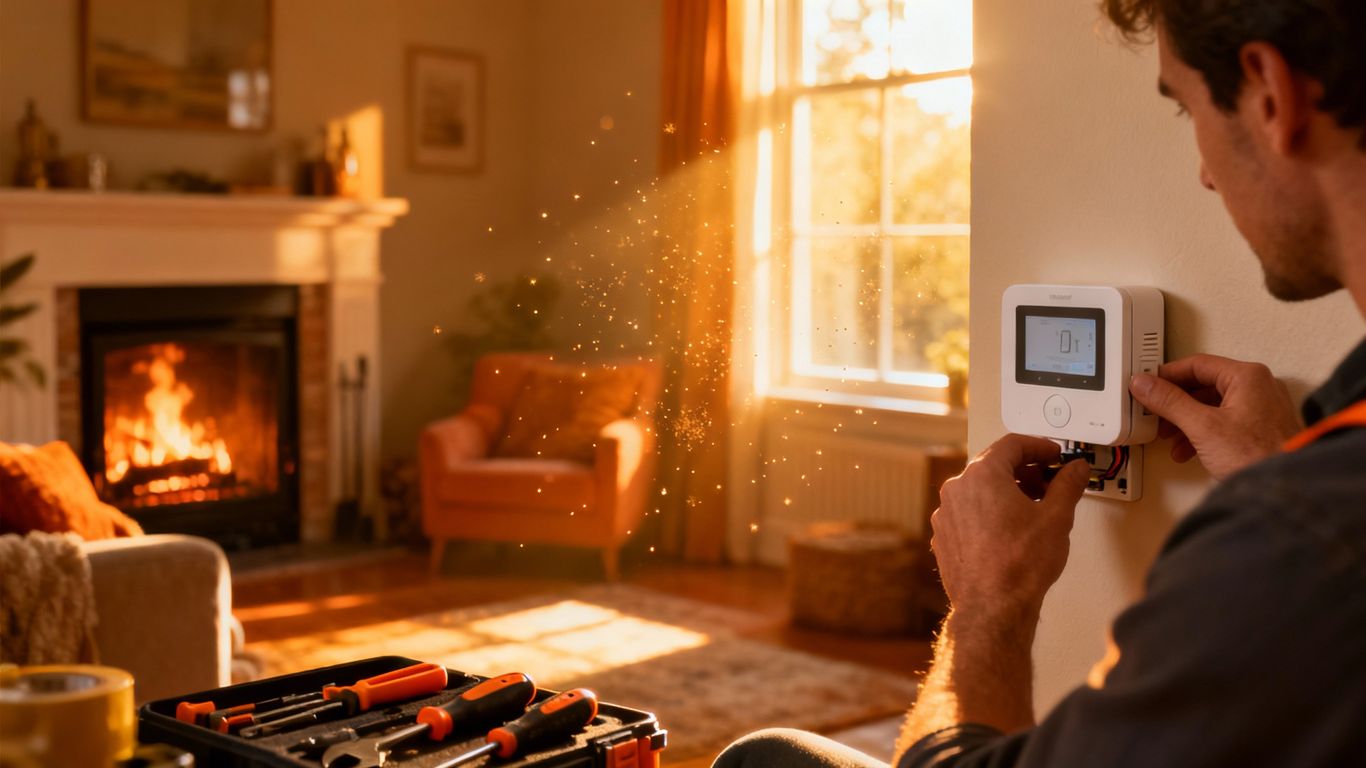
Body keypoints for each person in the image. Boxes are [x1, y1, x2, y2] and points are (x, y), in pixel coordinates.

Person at [713, 0, 1366, 765]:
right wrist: (1280, 474)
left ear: (1267, 94)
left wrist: (987, 607)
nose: (1204, 173)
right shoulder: (1312, 507)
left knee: (762, 758)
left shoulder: (1301, 537)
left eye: (1186, 107)